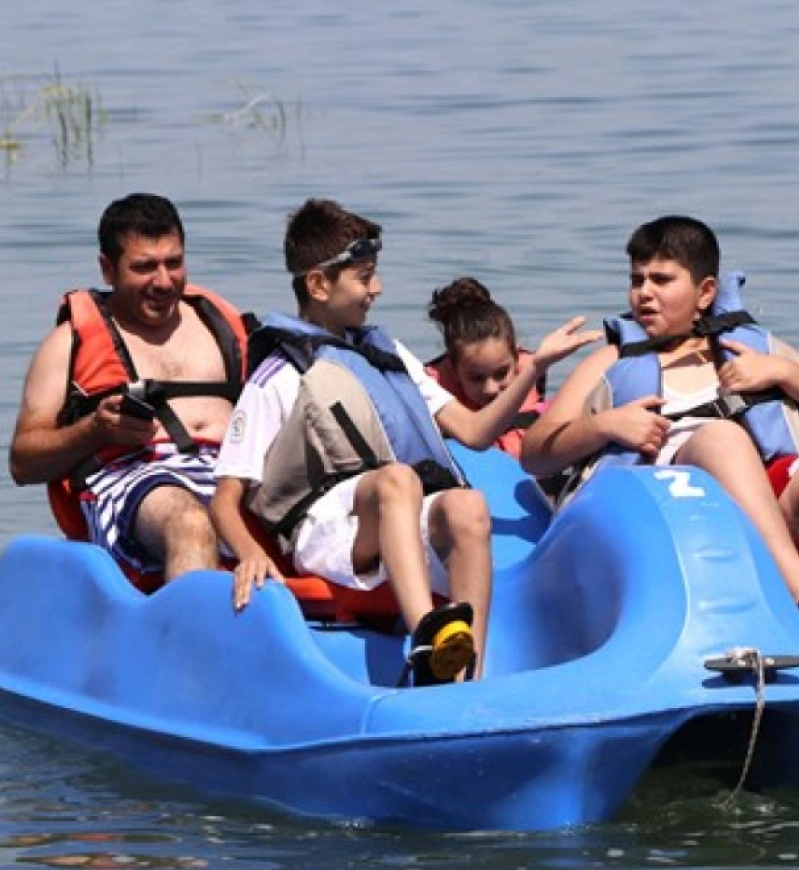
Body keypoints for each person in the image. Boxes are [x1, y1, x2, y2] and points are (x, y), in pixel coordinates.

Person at [211, 199, 596, 686]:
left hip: (397, 515)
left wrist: (534, 367)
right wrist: (251, 554)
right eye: (365, 277)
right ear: (319, 284)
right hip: (328, 531)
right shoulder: (279, 375)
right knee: (397, 480)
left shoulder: (387, 353)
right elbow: (225, 500)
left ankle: (466, 676)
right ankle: (426, 639)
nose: (377, 288)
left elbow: (476, 432)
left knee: (467, 506)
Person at [521, 215, 799, 652]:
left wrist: (785, 373)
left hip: (764, 508)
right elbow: (534, 453)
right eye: (637, 280)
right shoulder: (611, 361)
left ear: (706, 292)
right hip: (666, 522)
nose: (644, 293)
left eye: (662, 280)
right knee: (722, 437)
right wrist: (603, 425)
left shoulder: (753, 348)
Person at [8, 193, 246, 592]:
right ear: (108, 269)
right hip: (133, 485)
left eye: (174, 263)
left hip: (234, 474)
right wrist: (94, 431)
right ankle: (192, 631)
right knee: (190, 523)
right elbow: (22, 463)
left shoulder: (221, 324)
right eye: (144, 267)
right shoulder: (68, 344)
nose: (163, 282)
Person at [424, 276, 551, 458]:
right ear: (454, 371)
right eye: (476, 378)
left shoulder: (529, 372)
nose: (490, 389)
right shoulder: (431, 390)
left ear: (516, 359)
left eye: (501, 373)